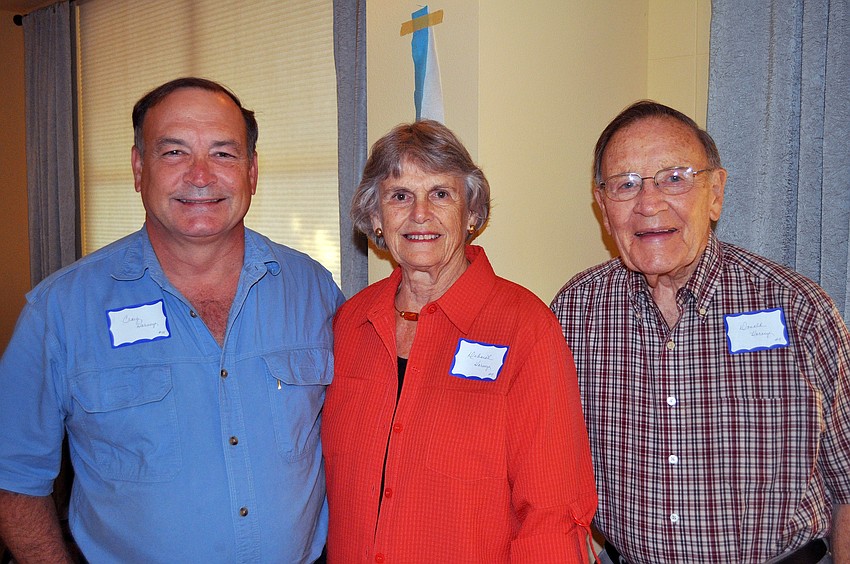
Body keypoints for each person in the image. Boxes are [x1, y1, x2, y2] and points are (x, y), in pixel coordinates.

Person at [0, 77, 344, 563]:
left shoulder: (314, 291)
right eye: (175, 153)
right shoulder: (59, 312)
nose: (201, 176)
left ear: (252, 170)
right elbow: (13, 479)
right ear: (139, 168)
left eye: (224, 154)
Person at [551, 100, 850, 564]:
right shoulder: (574, 313)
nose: (649, 204)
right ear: (603, 209)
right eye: (625, 185)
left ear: (715, 192)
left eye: (675, 178)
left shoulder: (798, 309)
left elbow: (848, 482)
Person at [322, 120, 597, 562]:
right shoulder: (350, 323)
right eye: (399, 196)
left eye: (440, 194)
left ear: (471, 213)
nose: (419, 214)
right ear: (375, 216)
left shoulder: (524, 327)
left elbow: (552, 513)